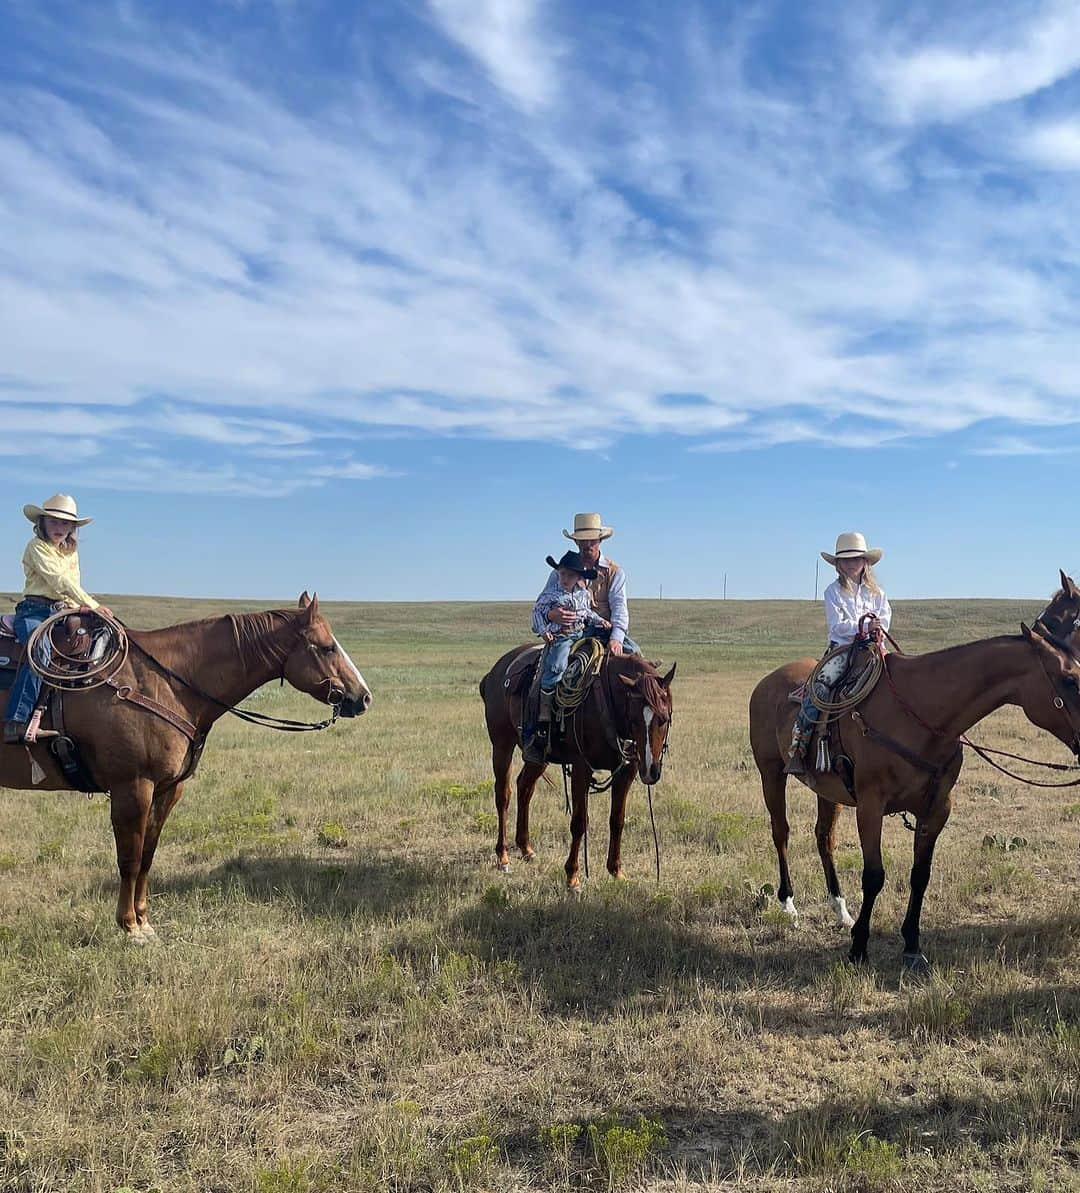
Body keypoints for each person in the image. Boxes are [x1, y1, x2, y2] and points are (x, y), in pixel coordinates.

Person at [4, 494, 112, 744]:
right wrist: (93, 605)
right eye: (54, 522)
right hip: (33, 611)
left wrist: (80, 607)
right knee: (38, 652)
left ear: (72, 528)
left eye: (65, 524)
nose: (59, 528)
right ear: (42, 523)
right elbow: (59, 581)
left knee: (91, 643)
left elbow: (73, 584)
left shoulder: (70, 552)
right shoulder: (36, 547)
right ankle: (16, 721)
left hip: (61, 611)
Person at [786, 532, 892, 776]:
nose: (851, 564)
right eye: (846, 560)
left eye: (856, 559)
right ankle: (799, 746)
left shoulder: (878, 593)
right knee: (821, 687)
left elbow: (885, 617)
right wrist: (864, 627)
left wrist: (877, 631)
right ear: (838, 565)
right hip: (843, 650)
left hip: (874, 647)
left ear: (865, 562)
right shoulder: (832, 592)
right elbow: (837, 626)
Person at [523, 551, 611, 763]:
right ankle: (544, 717)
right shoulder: (552, 595)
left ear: (579, 577)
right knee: (557, 667)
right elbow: (537, 612)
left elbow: (586, 614)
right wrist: (544, 630)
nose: (564, 578)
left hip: (581, 633)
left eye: (569, 575)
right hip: (562, 636)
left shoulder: (582, 594)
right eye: (562, 574)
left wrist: (600, 621)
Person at [548, 512, 640, 655]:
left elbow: (619, 608)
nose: (588, 545)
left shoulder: (614, 572)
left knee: (635, 655)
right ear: (576, 542)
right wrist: (550, 615)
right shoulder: (560, 573)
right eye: (583, 540)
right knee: (554, 666)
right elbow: (542, 603)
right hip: (568, 633)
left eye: (592, 540)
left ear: (600, 540)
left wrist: (616, 639)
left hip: (604, 632)